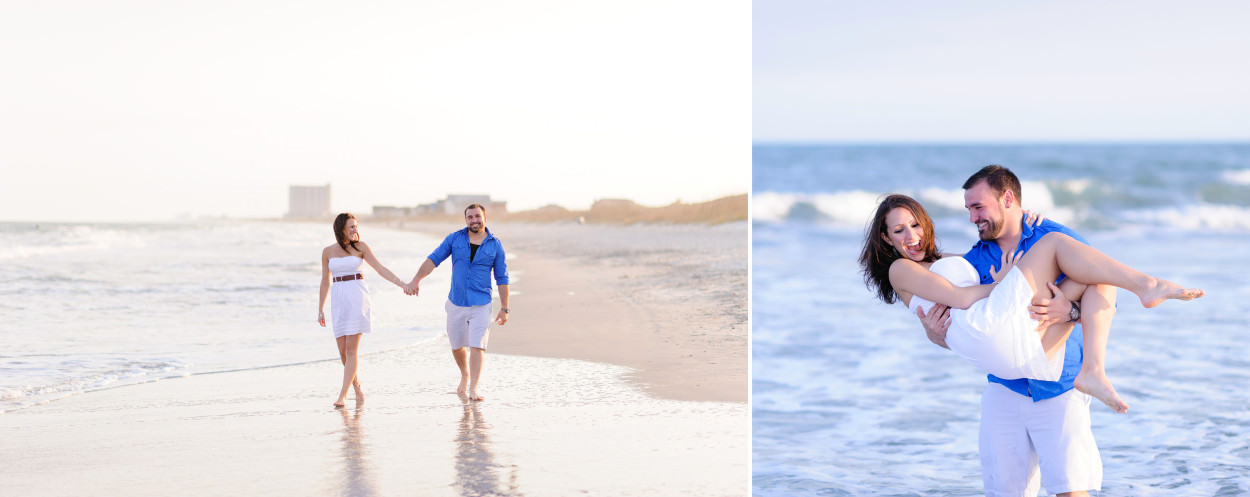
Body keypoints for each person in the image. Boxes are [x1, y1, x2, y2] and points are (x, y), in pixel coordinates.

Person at [859, 193, 1203, 382]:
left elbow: (995, 258)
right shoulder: (900, 270)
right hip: (985, 325)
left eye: (915, 225)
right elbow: (961, 296)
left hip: (1003, 347)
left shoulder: (941, 261)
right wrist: (1002, 282)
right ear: (886, 238)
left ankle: (1093, 372)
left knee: (1091, 276)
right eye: (900, 230)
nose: (912, 236)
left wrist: (1026, 223)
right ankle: (1147, 284)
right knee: (1055, 243)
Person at [405, 204, 510, 402]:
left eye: (477, 216)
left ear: (484, 217)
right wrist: (416, 280)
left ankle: (473, 388)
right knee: (456, 345)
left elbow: (502, 278)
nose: (474, 220)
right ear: (466, 220)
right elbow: (433, 260)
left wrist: (505, 308)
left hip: (481, 303)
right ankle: (465, 374)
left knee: (477, 345)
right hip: (456, 302)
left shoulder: (495, 245)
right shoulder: (455, 239)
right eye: (470, 217)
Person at [318, 213, 410, 408]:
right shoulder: (328, 252)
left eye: (356, 227)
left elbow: (380, 269)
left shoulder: (361, 248)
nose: (355, 230)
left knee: (352, 350)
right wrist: (320, 308)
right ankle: (357, 387)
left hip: (357, 297)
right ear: (341, 228)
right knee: (342, 352)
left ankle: (343, 395)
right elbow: (325, 281)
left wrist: (402, 284)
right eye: (351, 227)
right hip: (338, 300)